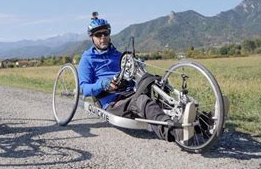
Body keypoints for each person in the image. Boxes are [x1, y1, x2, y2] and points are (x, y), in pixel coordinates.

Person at [77, 12, 196, 143]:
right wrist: (103, 83)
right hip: (113, 101)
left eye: (105, 33)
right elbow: (84, 88)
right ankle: (174, 132)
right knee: (142, 101)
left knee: (156, 86)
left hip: (130, 90)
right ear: (92, 37)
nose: (103, 37)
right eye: (98, 35)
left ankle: (202, 122)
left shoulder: (118, 55)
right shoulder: (87, 59)